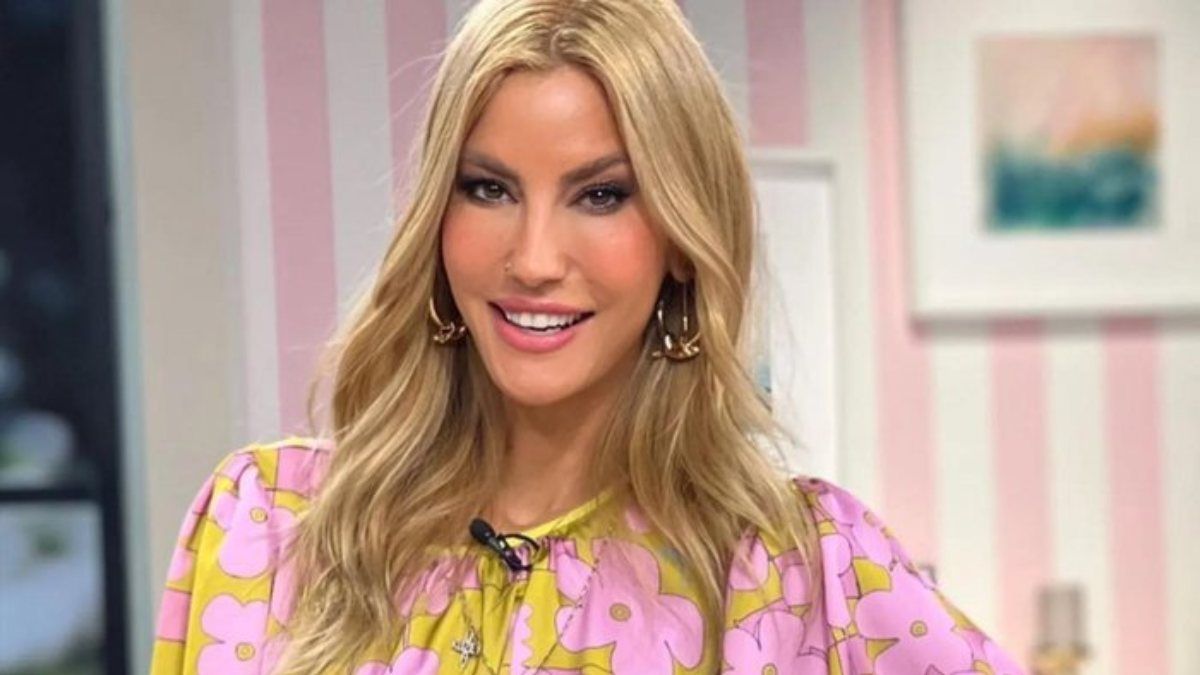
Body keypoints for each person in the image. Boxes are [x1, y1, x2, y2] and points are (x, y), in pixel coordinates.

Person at [150, 1, 1026, 673]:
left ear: (682, 235)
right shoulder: (265, 529)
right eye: (488, 189)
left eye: (601, 195)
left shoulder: (799, 573)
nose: (533, 259)